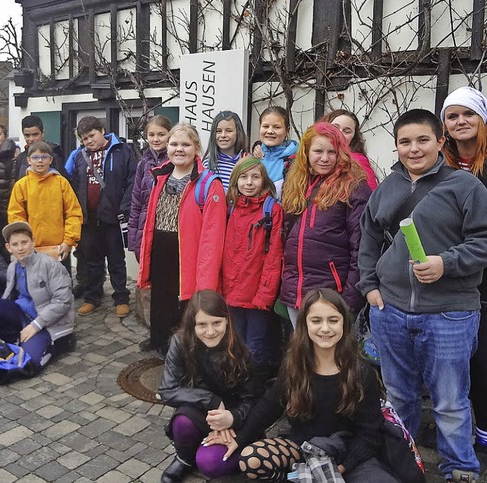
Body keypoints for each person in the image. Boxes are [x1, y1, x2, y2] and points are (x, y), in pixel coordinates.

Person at [357, 108, 487, 483]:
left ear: (440, 142)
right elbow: (367, 238)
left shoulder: (465, 187)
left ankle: (460, 468)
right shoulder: (387, 187)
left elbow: (483, 241)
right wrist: (369, 287)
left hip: (449, 313)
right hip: (391, 311)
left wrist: (446, 263)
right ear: (396, 146)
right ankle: (404, 462)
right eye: (405, 142)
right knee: (399, 398)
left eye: (423, 140)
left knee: (449, 403)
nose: (414, 149)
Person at [213, 288, 396, 482]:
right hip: (302, 449)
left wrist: (339, 469)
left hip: (346, 454)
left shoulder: (361, 372)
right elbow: (268, 407)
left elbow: (370, 435)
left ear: (344, 323)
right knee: (251, 459)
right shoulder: (294, 366)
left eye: (333, 320)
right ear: (304, 324)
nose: (325, 328)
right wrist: (239, 438)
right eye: (316, 321)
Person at [137, 123, 226, 353]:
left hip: (187, 252)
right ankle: (159, 338)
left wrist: (206, 276)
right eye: (174, 144)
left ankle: (182, 348)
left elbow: (212, 236)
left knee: (185, 302)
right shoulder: (161, 176)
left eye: (185, 144)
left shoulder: (208, 184)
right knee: (160, 297)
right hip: (161, 249)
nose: (179, 149)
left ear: (196, 148)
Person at [158, 290, 255, 482]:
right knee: (182, 422)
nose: (210, 332)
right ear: (192, 324)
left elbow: (252, 399)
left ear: (227, 320)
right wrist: (210, 400)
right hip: (200, 408)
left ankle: (217, 451)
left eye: (216, 323)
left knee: (210, 464)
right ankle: (184, 458)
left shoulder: (241, 349)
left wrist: (232, 418)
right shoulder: (180, 342)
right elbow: (167, 390)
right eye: (202, 324)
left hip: (233, 415)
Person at [280, 122, 370, 327]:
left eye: (332, 152)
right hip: (296, 291)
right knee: (302, 354)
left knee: (330, 356)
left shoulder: (354, 187)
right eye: (318, 151)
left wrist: (349, 299)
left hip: (333, 294)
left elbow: (361, 247)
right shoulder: (295, 183)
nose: (325, 158)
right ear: (306, 152)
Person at [440, 86, 487, 456]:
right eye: (452, 116)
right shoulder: (443, 166)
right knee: (464, 358)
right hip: (454, 275)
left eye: (467, 114)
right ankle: (466, 429)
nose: (460, 122)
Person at [0, 221, 76, 371]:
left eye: (24, 242)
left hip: (46, 322)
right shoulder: (13, 267)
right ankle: (17, 339)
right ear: (8, 247)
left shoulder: (51, 265)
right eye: (15, 244)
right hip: (23, 315)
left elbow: (63, 301)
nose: (20, 248)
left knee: (29, 364)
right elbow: (9, 297)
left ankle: (60, 344)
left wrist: (35, 326)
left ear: (33, 242)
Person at [65, 116, 136, 318]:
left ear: (102, 130)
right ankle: (92, 298)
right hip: (88, 219)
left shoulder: (122, 151)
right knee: (91, 261)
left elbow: (132, 181)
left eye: (91, 135)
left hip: (112, 217)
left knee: (116, 260)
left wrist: (123, 207)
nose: (89, 141)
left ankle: (121, 298)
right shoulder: (79, 156)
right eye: (84, 138)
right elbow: (67, 180)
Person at [222, 156, 283, 371]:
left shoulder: (271, 211)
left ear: (264, 181)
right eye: (244, 177)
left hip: (257, 293)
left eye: (255, 177)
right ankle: (237, 381)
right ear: (235, 181)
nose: (249, 183)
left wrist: (264, 295)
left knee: (255, 344)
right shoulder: (231, 208)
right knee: (235, 341)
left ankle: (253, 387)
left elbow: (274, 257)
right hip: (232, 292)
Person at [8, 140, 82, 278]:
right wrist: (24, 243)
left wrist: (68, 241)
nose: (40, 161)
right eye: (35, 158)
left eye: (44, 157)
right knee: (35, 288)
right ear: (29, 160)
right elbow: (16, 217)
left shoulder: (61, 183)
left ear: (51, 160)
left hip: (59, 248)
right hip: (32, 249)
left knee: (61, 287)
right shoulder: (21, 185)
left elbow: (74, 213)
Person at [128, 115, 172, 261]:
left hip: (167, 225)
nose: (156, 139)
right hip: (145, 224)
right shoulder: (143, 164)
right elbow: (136, 203)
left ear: (169, 135)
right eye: (151, 135)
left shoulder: (175, 161)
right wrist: (133, 238)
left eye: (161, 134)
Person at [320, 109, 378, 190]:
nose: (339, 134)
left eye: (347, 131)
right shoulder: (311, 156)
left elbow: (370, 198)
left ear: (353, 138)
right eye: (334, 127)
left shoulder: (357, 162)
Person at [254, 106, 298, 201]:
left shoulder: (296, 160)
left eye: (277, 127)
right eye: (265, 126)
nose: (270, 131)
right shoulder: (252, 158)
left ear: (287, 130)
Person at [202, 111, 249, 190]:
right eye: (218, 131)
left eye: (229, 131)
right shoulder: (207, 164)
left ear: (238, 133)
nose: (223, 135)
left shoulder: (246, 161)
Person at [13, 115, 68, 180]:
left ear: (42, 133)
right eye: (27, 135)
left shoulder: (55, 154)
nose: (31, 139)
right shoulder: (20, 158)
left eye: (35, 134)